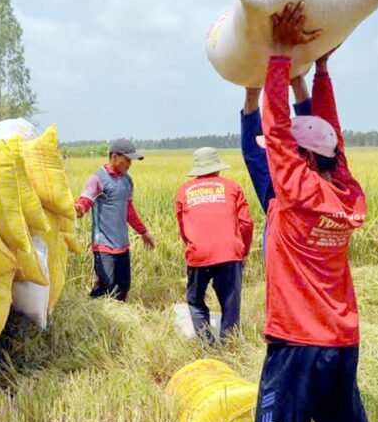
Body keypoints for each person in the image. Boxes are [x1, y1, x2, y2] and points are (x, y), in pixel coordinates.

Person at [252, 1, 378, 422]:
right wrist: (319, 70)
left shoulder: (297, 194)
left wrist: (280, 57)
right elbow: (330, 138)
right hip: (341, 343)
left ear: (301, 158)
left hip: (297, 345)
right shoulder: (346, 194)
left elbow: (278, 132)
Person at [174, 148, 253, 343]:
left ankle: (206, 345)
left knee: (195, 301)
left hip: (198, 254)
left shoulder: (183, 191)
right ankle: (229, 346)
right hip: (229, 253)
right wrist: (243, 252)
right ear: (217, 169)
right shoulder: (232, 187)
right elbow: (247, 223)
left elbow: (183, 228)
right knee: (230, 304)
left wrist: (194, 246)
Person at [75, 138, 156, 302]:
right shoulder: (97, 179)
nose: (129, 164)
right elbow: (85, 200)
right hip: (103, 245)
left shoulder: (127, 180)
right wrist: (78, 209)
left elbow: (129, 210)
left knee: (123, 286)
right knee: (106, 286)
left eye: (130, 161)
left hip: (122, 244)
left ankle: (118, 320)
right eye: (126, 160)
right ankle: (92, 315)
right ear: (114, 157)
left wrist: (143, 232)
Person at [241, 76, 312, 215]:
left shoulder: (273, 192)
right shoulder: (315, 180)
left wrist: (252, 91)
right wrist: (298, 80)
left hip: (280, 220)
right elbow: (313, 135)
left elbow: (251, 151)